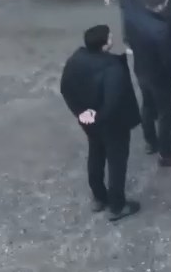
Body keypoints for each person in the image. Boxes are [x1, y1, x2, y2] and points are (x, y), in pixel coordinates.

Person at [60, 24, 144, 221]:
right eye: (110, 37)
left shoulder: (75, 60)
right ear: (105, 45)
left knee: (96, 154)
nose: (112, 38)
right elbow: (113, 101)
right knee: (117, 163)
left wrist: (82, 114)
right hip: (112, 124)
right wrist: (99, 117)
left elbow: (65, 88)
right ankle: (117, 205)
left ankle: (99, 196)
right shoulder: (113, 68)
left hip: (89, 122)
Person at [122, 0, 171, 168]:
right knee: (165, 113)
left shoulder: (132, 13)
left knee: (147, 105)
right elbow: (170, 60)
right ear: (164, 3)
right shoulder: (161, 30)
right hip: (160, 76)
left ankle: (150, 141)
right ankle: (165, 153)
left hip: (141, 67)